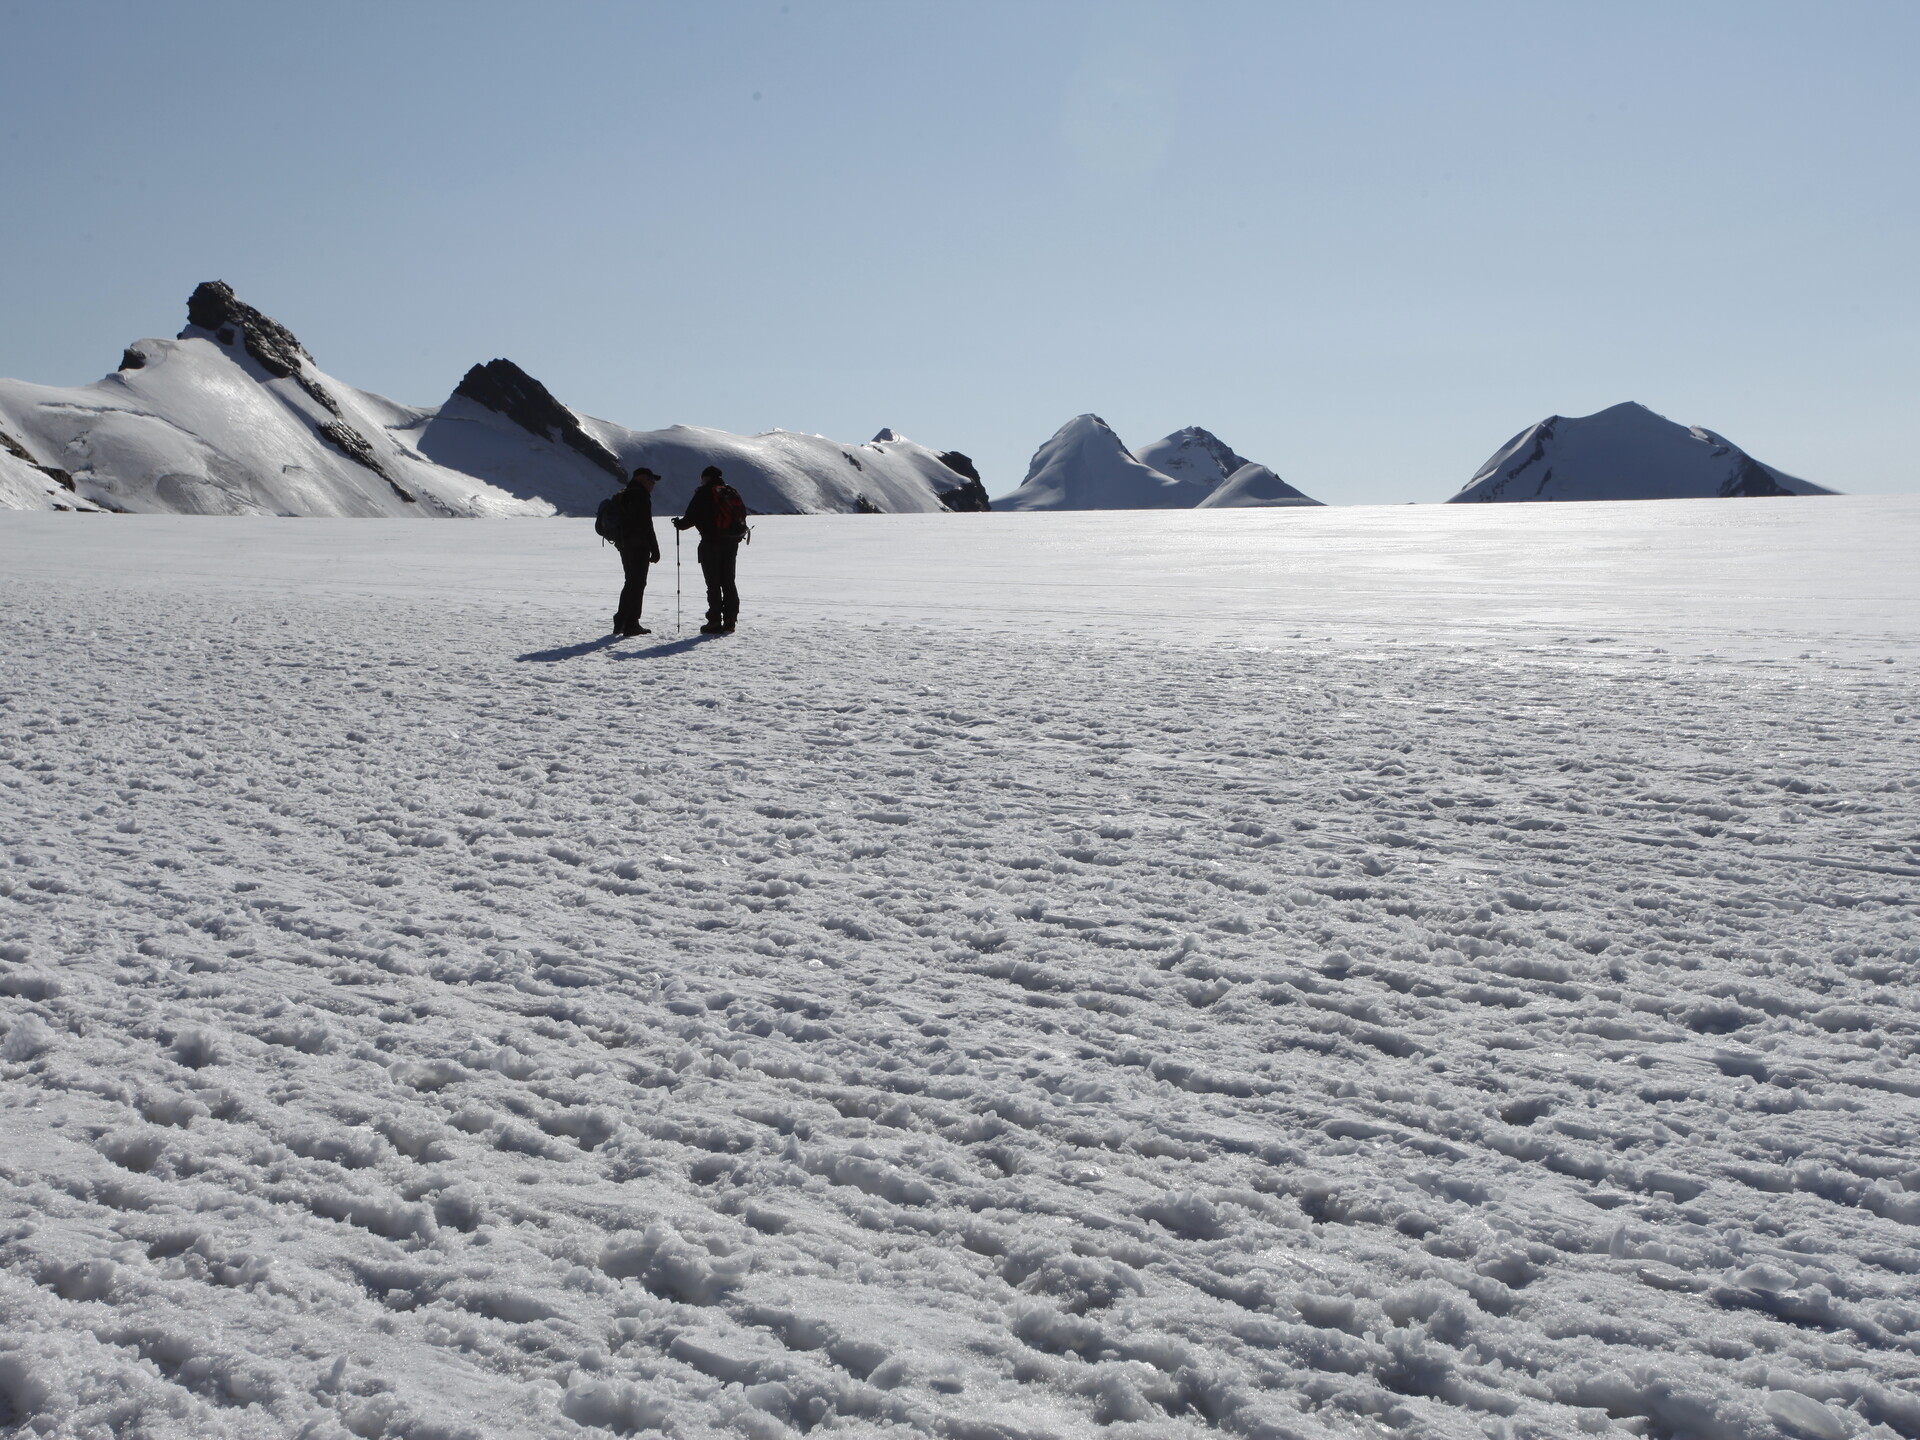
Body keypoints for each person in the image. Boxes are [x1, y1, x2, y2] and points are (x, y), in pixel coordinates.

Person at [673, 465, 749, 634]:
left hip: (711, 542)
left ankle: (714, 620)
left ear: (705, 478)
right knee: (729, 581)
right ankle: (730, 619)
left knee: (713, 582)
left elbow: (689, 519)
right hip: (731, 542)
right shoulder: (730, 492)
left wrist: (678, 524)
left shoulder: (704, 493)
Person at [596, 467, 662, 636]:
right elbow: (646, 524)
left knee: (631, 581)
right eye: (650, 480)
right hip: (638, 545)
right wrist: (654, 549)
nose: (653, 484)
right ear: (641, 479)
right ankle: (631, 623)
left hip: (624, 544)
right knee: (637, 583)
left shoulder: (624, 494)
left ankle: (622, 621)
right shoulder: (640, 496)